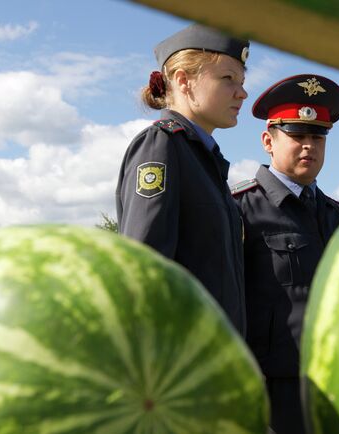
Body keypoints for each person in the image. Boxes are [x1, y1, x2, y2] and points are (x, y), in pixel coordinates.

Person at [231, 74, 339, 433]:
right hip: (270, 392)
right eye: (297, 136)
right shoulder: (238, 208)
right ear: (268, 141)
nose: (308, 147)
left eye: (317, 137)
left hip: (333, 382)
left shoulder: (336, 215)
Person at [116, 24, 249, 335]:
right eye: (227, 78)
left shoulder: (203, 157)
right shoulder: (161, 145)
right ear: (183, 81)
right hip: (182, 361)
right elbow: (144, 268)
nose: (242, 92)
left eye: (242, 81)